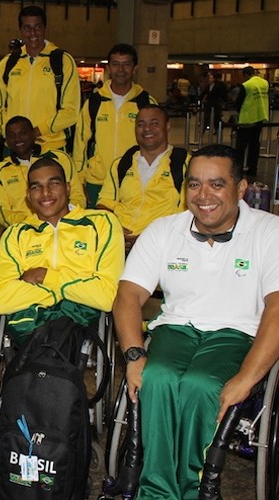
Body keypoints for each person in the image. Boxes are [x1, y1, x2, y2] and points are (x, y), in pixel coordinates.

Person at [112, 144, 279, 499]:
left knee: (202, 386)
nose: (204, 196)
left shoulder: (269, 232)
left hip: (237, 333)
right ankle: (155, 491)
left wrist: (246, 380)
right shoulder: (163, 230)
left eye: (217, 185)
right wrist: (133, 354)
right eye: (194, 184)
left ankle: (193, 490)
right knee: (156, 378)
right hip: (176, 327)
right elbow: (128, 296)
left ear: (241, 189)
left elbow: (277, 308)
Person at [0, 156, 124, 341]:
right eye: (36, 187)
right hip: (32, 325)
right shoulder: (16, 234)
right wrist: (67, 290)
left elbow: (107, 296)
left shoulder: (102, 223)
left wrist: (43, 276)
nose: (45, 193)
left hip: (80, 322)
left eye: (53, 184)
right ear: (28, 196)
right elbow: (2, 299)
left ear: (68, 188)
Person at [97, 105, 191, 251]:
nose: (147, 129)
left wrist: (148, 237)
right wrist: (115, 229)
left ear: (167, 126)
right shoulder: (121, 164)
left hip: (162, 246)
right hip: (119, 244)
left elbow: (187, 214)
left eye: (154, 123)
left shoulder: (185, 164)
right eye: (141, 124)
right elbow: (104, 204)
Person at [73, 43, 157, 207]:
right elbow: (80, 143)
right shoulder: (94, 103)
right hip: (97, 181)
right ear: (109, 68)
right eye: (116, 64)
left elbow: (156, 144)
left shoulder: (146, 102)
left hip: (134, 181)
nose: (121, 69)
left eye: (126, 64)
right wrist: (79, 181)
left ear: (135, 68)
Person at [0, 5, 80, 152]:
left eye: (37, 27)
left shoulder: (63, 61)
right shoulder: (8, 63)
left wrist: (37, 131)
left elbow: (71, 111)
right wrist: (15, 134)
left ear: (45, 29)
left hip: (51, 147)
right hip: (14, 148)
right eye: (27, 28)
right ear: (20, 31)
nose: (33, 33)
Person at [0, 115, 85, 228]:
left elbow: (78, 196)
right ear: (7, 141)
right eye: (11, 136)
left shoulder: (60, 159)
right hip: (24, 231)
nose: (18, 139)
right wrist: (30, 223)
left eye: (23, 133)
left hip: (65, 226)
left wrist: (63, 219)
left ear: (33, 134)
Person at [235, 66, 269, 174]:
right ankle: (252, 168)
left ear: (245, 74)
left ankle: (239, 168)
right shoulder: (264, 83)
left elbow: (239, 101)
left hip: (247, 118)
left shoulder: (246, 85)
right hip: (260, 116)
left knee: (241, 146)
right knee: (254, 145)